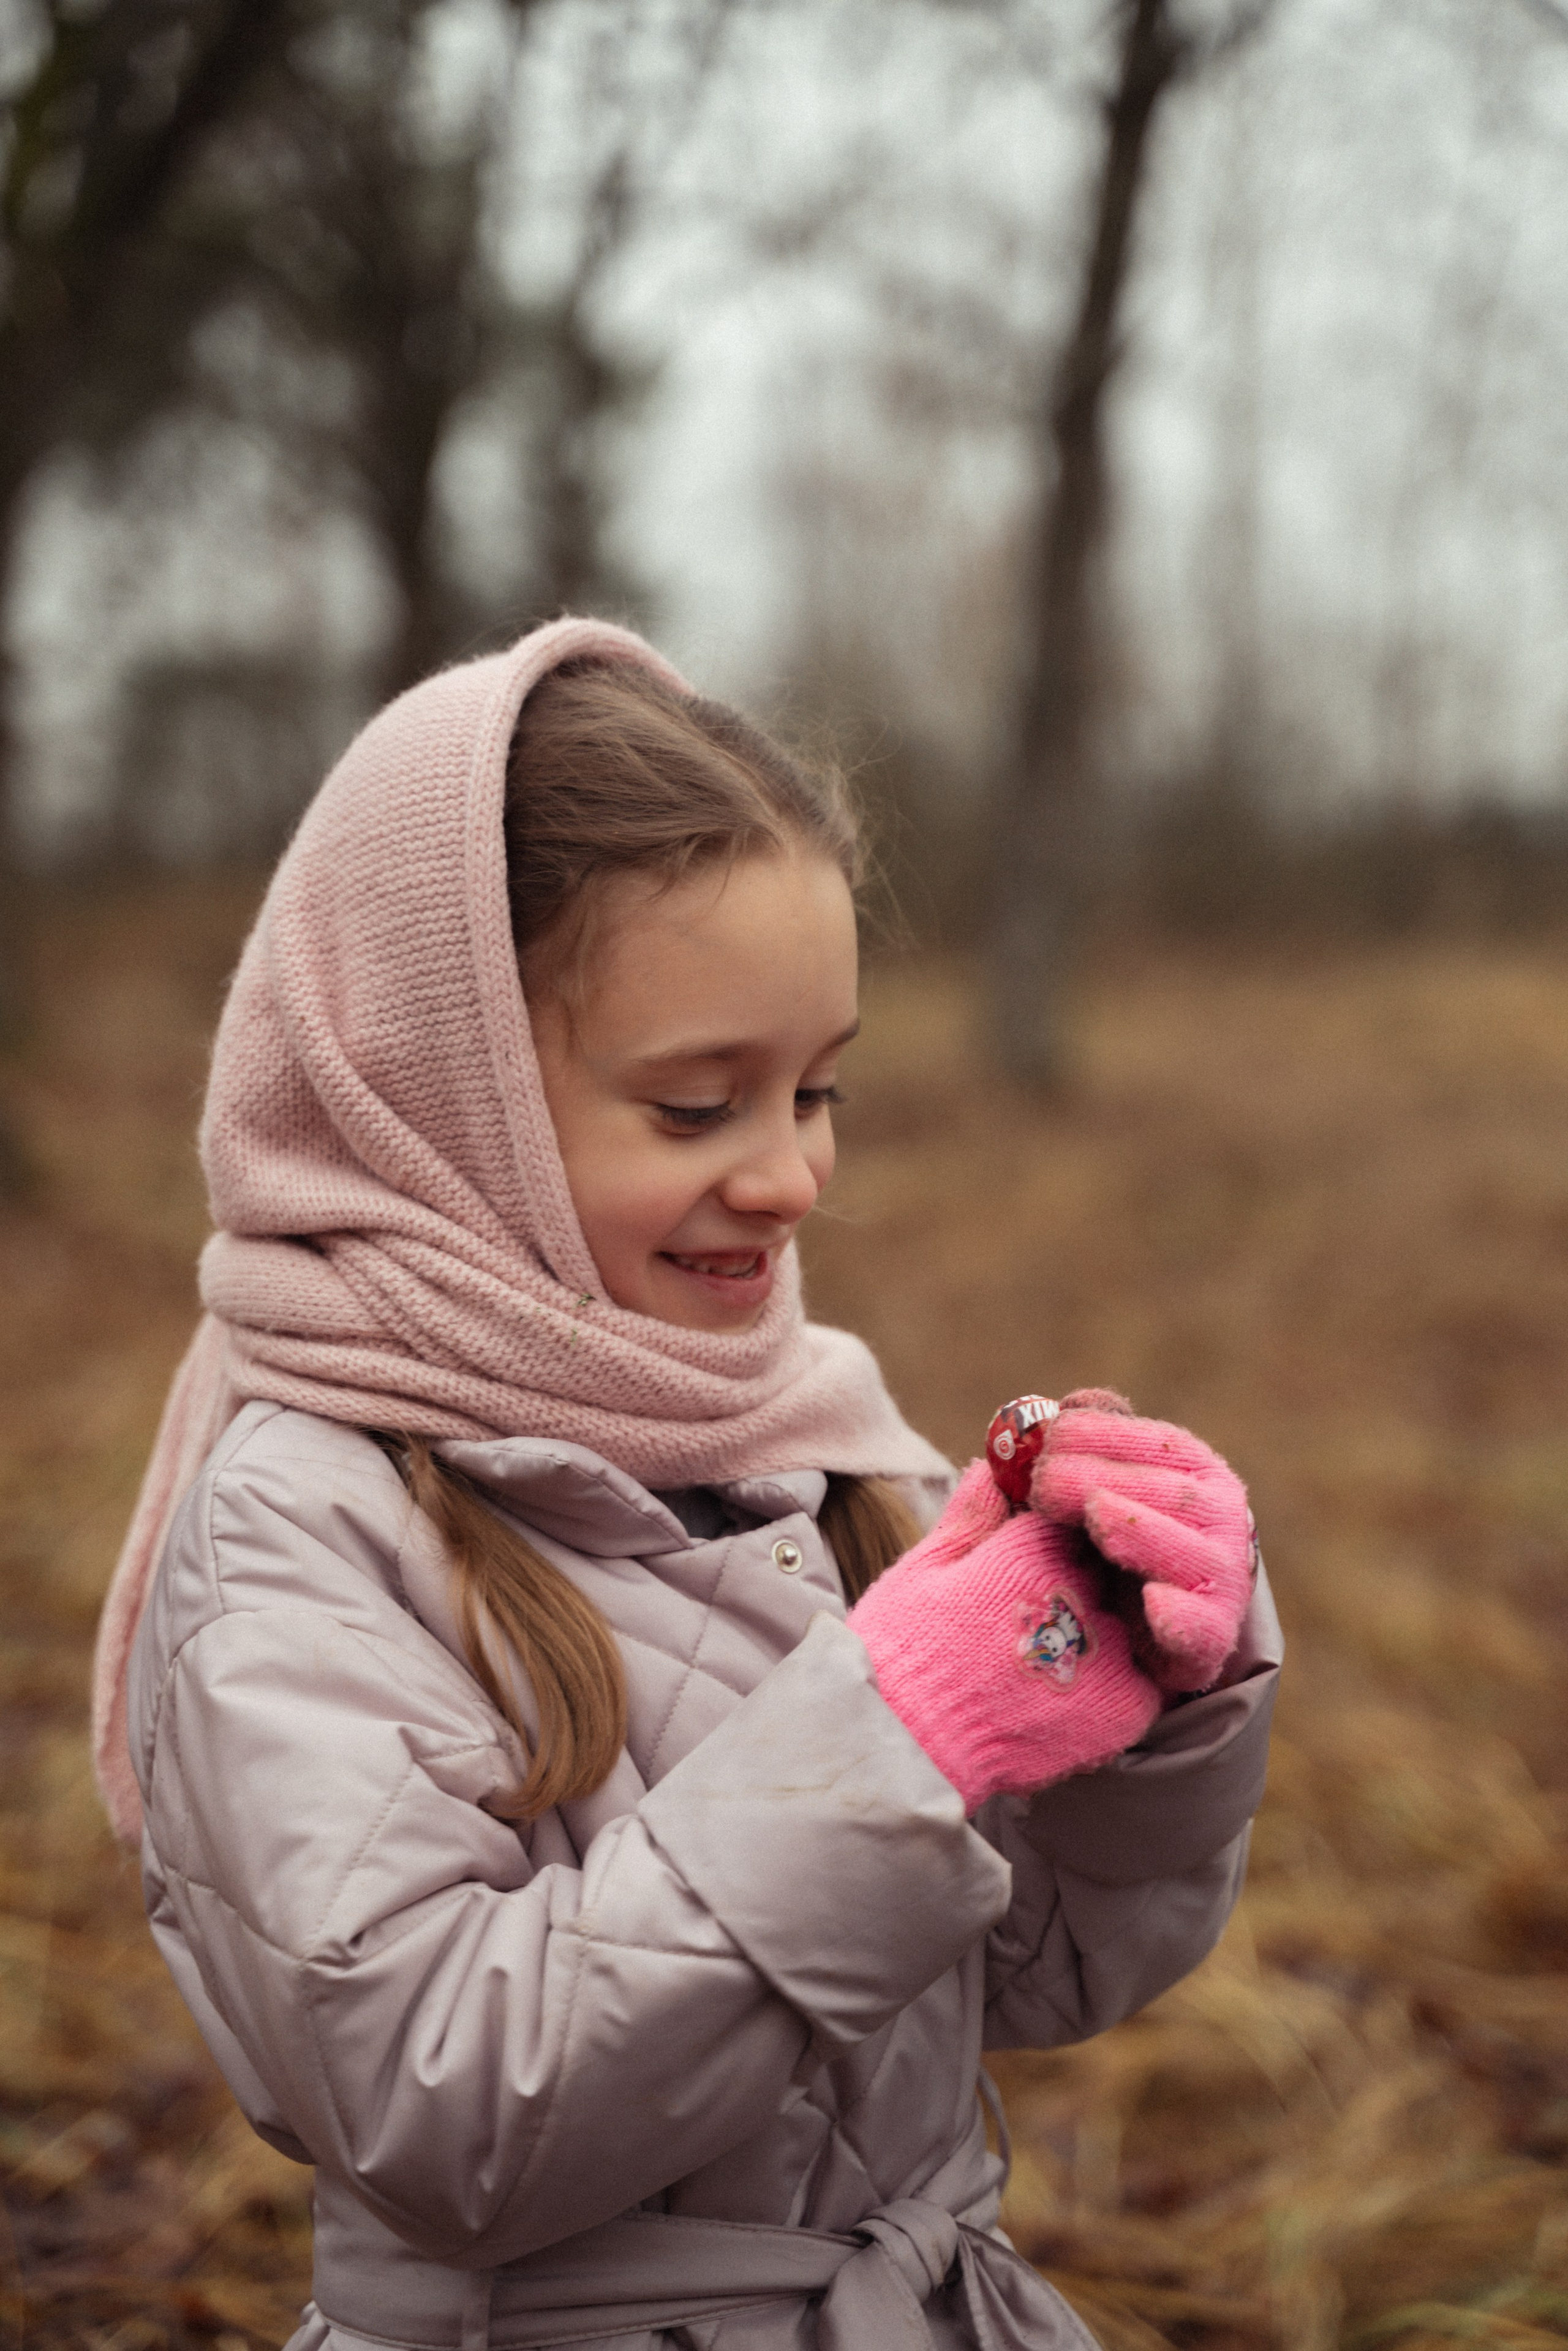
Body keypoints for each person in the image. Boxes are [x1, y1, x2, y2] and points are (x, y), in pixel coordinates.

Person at [92, 617, 1282, 2351]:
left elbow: (1025, 1973)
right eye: (698, 1103)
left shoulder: (807, 1445)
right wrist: (893, 1737)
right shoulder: (303, 1525)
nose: (794, 1174)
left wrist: (1153, 1689)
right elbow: (440, 2110)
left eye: (817, 1089)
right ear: (446, 1105)